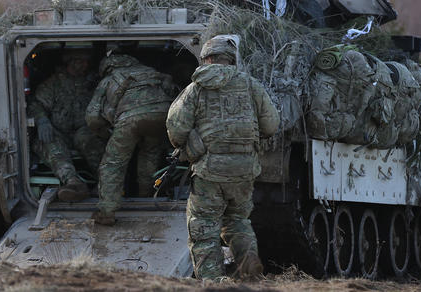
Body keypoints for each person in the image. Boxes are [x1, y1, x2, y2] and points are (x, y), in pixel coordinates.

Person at [166, 35, 280, 281]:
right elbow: (271, 125)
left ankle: (212, 281)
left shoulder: (196, 89)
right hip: (244, 169)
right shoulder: (251, 85)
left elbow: (176, 129)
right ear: (231, 60)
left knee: (203, 225)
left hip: (209, 170)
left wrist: (192, 144)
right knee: (238, 220)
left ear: (206, 59)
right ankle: (248, 259)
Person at [86, 54, 176, 225]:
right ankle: (146, 199)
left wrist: (104, 132)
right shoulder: (151, 72)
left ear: (106, 68)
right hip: (162, 116)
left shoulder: (109, 79)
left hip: (130, 120)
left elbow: (92, 116)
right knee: (149, 156)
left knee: (113, 164)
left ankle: (107, 211)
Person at [28, 50, 105, 202]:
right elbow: (36, 104)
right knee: (49, 144)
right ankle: (73, 183)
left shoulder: (92, 82)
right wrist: (42, 120)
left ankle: (104, 184)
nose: (85, 65)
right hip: (58, 131)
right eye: (81, 61)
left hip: (84, 130)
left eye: (86, 62)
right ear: (70, 61)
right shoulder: (54, 83)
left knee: (93, 143)